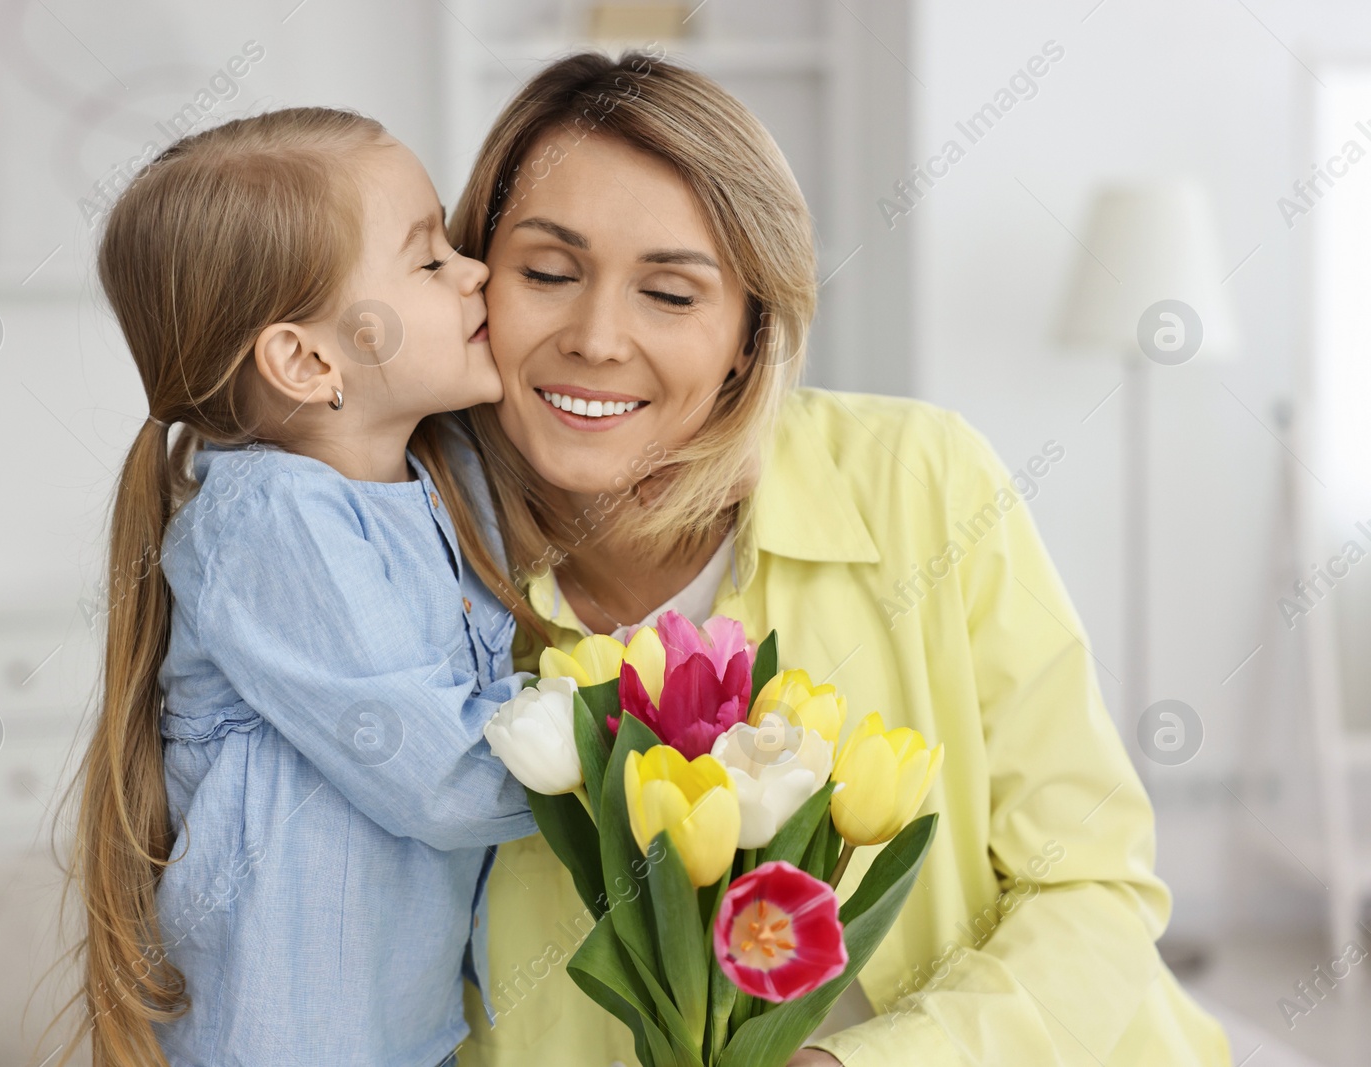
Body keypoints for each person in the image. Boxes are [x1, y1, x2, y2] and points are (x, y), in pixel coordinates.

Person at [450, 53, 1231, 1066]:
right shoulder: (407, 558)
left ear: (747, 331)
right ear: (473, 284)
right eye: (548, 274)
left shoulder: (920, 479)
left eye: (672, 294)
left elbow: (1090, 884)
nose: (597, 337)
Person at [66, 108, 537, 1067]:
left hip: (404, 1028)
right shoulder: (271, 522)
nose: (476, 270)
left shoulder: (446, 484)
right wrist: (644, 758)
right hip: (284, 1036)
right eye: (429, 259)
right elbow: (444, 774)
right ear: (309, 359)